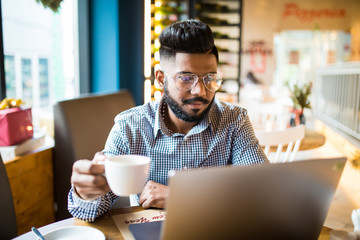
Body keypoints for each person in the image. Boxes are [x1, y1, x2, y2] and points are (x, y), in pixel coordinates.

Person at [68, 19, 268, 222]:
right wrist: (86, 192)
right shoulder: (130, 127)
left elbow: (263, 194)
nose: (200, 91)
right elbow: (88, 212)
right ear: (161, 79)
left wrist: (181, 197)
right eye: (186, 79)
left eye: (209, 78)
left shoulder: (235, 120)